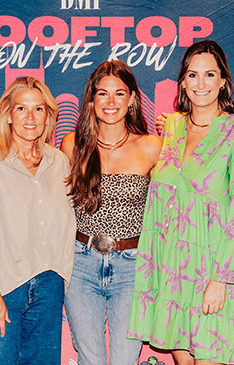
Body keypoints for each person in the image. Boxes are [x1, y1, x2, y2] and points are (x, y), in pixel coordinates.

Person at [128, 40, 234, 365]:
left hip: (214, 272)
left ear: (223, 81)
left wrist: (221, 279)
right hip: (172, 271)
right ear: (183, 82)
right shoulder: (172, 127)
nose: (201, 84)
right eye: (192, 75)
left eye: (209, 75)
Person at [0, 76, 75, 365]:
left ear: (48, 116)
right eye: (21, 109)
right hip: (1, 285)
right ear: (8, 114)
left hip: (49, 286)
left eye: (38, 109)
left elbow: (65, 227)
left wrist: (60, 278)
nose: (30, 117)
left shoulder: (59, 162)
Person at [61, 61, 162, 365]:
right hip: (80, 264)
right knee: (90, 360)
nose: (111, 102)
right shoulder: (72, 145)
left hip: (131, 266)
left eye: (119, 94)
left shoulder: (152, 146)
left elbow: (169, 210)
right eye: (102, 94)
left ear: (132, 99)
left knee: (123, 361)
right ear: (91, 99)